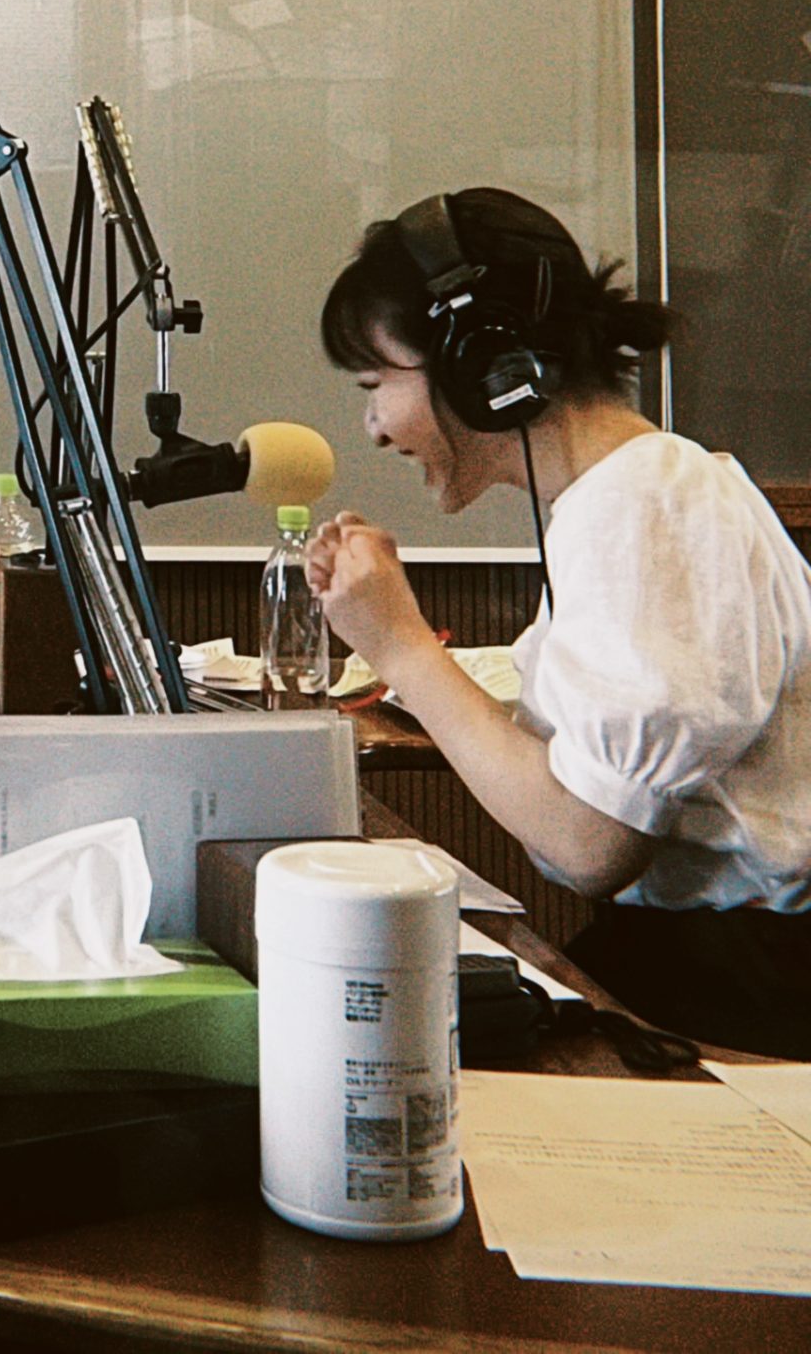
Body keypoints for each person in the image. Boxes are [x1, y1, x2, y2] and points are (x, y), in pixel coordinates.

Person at [307, 186, 811, 1056]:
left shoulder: (644, 507)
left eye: (377, 384)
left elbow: (588, 843)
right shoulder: (622, 497)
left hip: (749, 990)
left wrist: (400, 644)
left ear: (482, 361)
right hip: (707, 963)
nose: (375, 427)